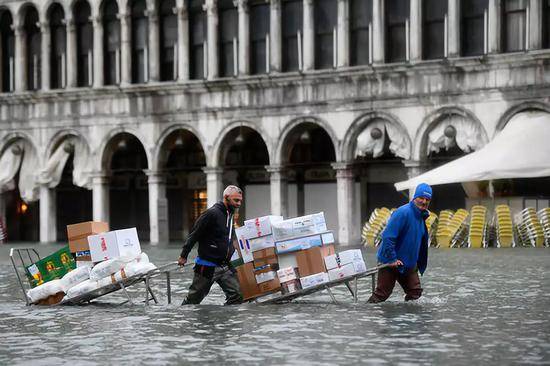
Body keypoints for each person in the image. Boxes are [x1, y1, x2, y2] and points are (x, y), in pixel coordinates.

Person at [178, 185, 243, 305]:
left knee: (237, 295)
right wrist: (184, 255)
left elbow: (230, 236)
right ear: (226, 197)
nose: (239, 204)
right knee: (193, 301)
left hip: (224, 265)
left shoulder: (230, 214)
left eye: (240, 201)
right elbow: (194, 235)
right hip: (207, 265)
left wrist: (239, 252)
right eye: (236, 200)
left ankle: (224, 321)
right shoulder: (211, 214)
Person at [367, 183, 432, 303]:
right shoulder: (403, 212)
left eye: (427, 199)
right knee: (381, 295)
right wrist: (391, 259)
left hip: (408, 264)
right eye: (421, 198)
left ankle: (407, 318)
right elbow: (387, 237)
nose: (424, 201)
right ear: (414, 197)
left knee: (415, 293)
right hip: (390, 261)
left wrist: (417, 262)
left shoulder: (421, 217)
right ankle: (365, 314)